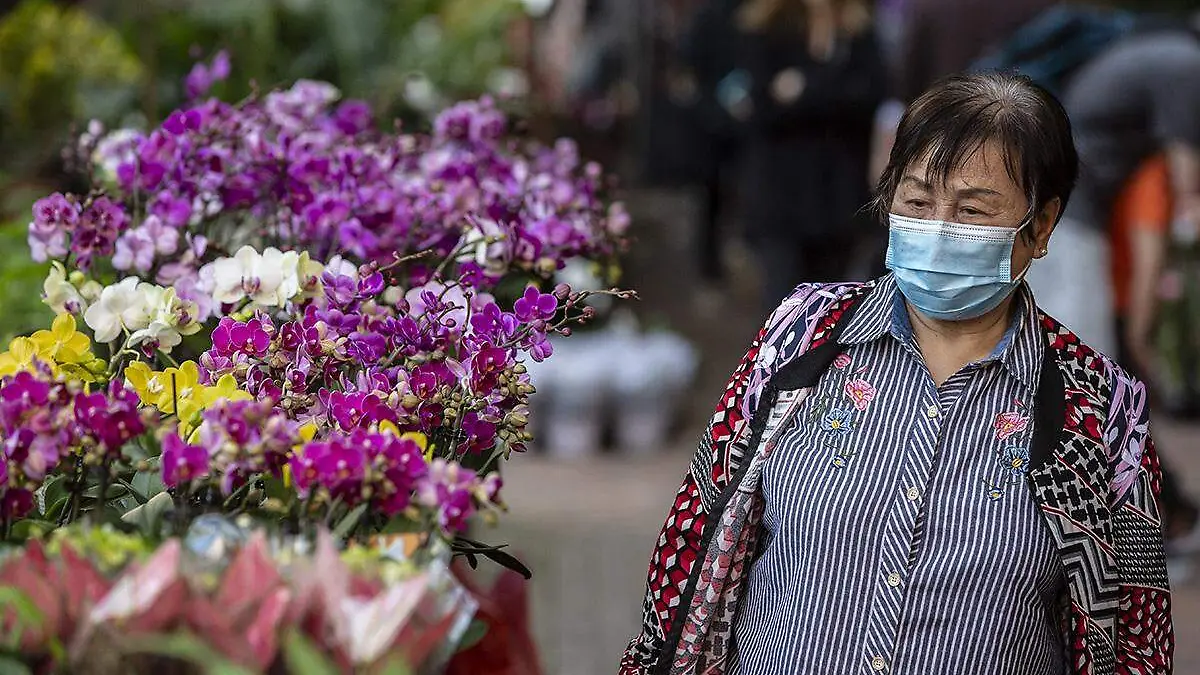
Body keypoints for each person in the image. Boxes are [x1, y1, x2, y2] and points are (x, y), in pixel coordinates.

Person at [619, 72, 1173, 675]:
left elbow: (1134, 630)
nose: (936, 227)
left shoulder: (1098, 405)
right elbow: (697, 529)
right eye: (915, 200)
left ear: (1040, 227)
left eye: (972, 210)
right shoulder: (803, 336)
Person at [1025, 25, 1200, 360]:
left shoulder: (1161, 50)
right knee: (1081, 340)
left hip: (1063, 197)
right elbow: (1185, 168)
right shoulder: (1188, 65)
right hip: (1074, 204)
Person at [723, 0, 885, 310]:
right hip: (780, 197)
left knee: (831, 308)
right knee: (784, 307)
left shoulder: (857, 31)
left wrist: (804, 87)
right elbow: (759, 110)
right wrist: (834, 90)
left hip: (837, 198)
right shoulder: (766, 28)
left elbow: (873, 95)